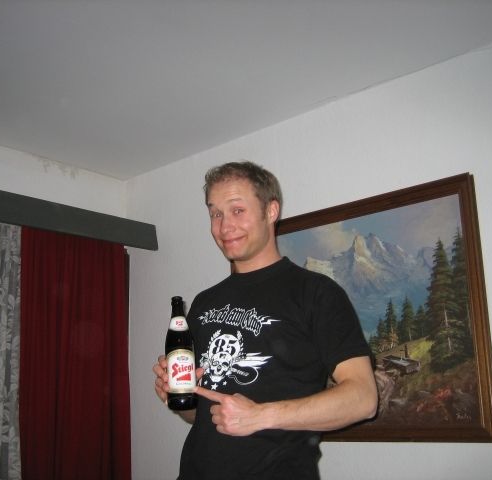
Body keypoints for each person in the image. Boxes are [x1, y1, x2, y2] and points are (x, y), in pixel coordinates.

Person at [153, 161, 377, 480]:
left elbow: (364, 398)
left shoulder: (316, 292)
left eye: (237, 210)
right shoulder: (204, 302)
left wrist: (260, 415)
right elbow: (198, 416)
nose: (224, 226)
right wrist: (179, 394)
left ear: (271, 211)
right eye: (215, 214)